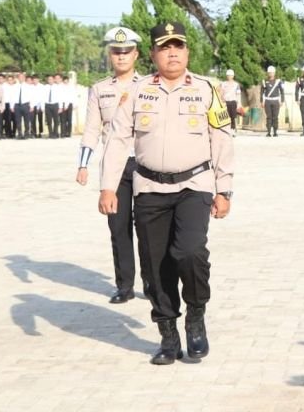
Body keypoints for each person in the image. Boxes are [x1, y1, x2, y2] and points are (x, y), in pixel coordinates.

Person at [99, 21, 234, 365]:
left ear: (187, 51)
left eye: (178, 46)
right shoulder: (138, 91)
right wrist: (108, 185)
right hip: (149, 188)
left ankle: (196, 314)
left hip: (195, 185)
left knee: (188, 252)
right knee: (155, 265)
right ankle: (168, 335)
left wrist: (225, 189)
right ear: (154, 53)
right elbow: (117, 139)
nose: (172, 53)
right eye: (165, 47)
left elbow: (222, 139)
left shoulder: (206, 89)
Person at [79, 27, 146, 304]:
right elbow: (92, 130)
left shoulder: (148, 86)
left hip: (144, 164)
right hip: (114, 167)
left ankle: (153, 284)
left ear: (136, 54)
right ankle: (125, 285)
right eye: (116, 52)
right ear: (110, 55)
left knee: (148, 228)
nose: (121, 56)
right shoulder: (99, 90)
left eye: (126, 51)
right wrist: (83, 165)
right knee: (118, 228)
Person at [261, 66, 284, 137]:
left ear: (274, 73)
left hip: (276, 101)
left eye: (272, 72)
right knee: (269, 117)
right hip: (268, 101)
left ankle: (275, 131)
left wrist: (282, 100)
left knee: (275, 117)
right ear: (268, 73)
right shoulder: (264, 81)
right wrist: (262, 101)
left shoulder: (279, 81)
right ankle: (268, 131)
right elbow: (262, 92)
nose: (271, 74)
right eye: (270, 72)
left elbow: (282, 91)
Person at [220, 69, 242, 136]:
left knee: (233, 116)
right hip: (225, 102)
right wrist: (221, 99)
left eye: (230, 75)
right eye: (228, 75)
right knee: (226, 116)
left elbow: (238, 94)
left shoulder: (236, 84)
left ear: (233, 76)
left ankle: (233, 129)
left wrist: (239, 103)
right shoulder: (223, 84)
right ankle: (226, 130)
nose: (229, 76)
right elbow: (221, 92)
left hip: (233, 102)